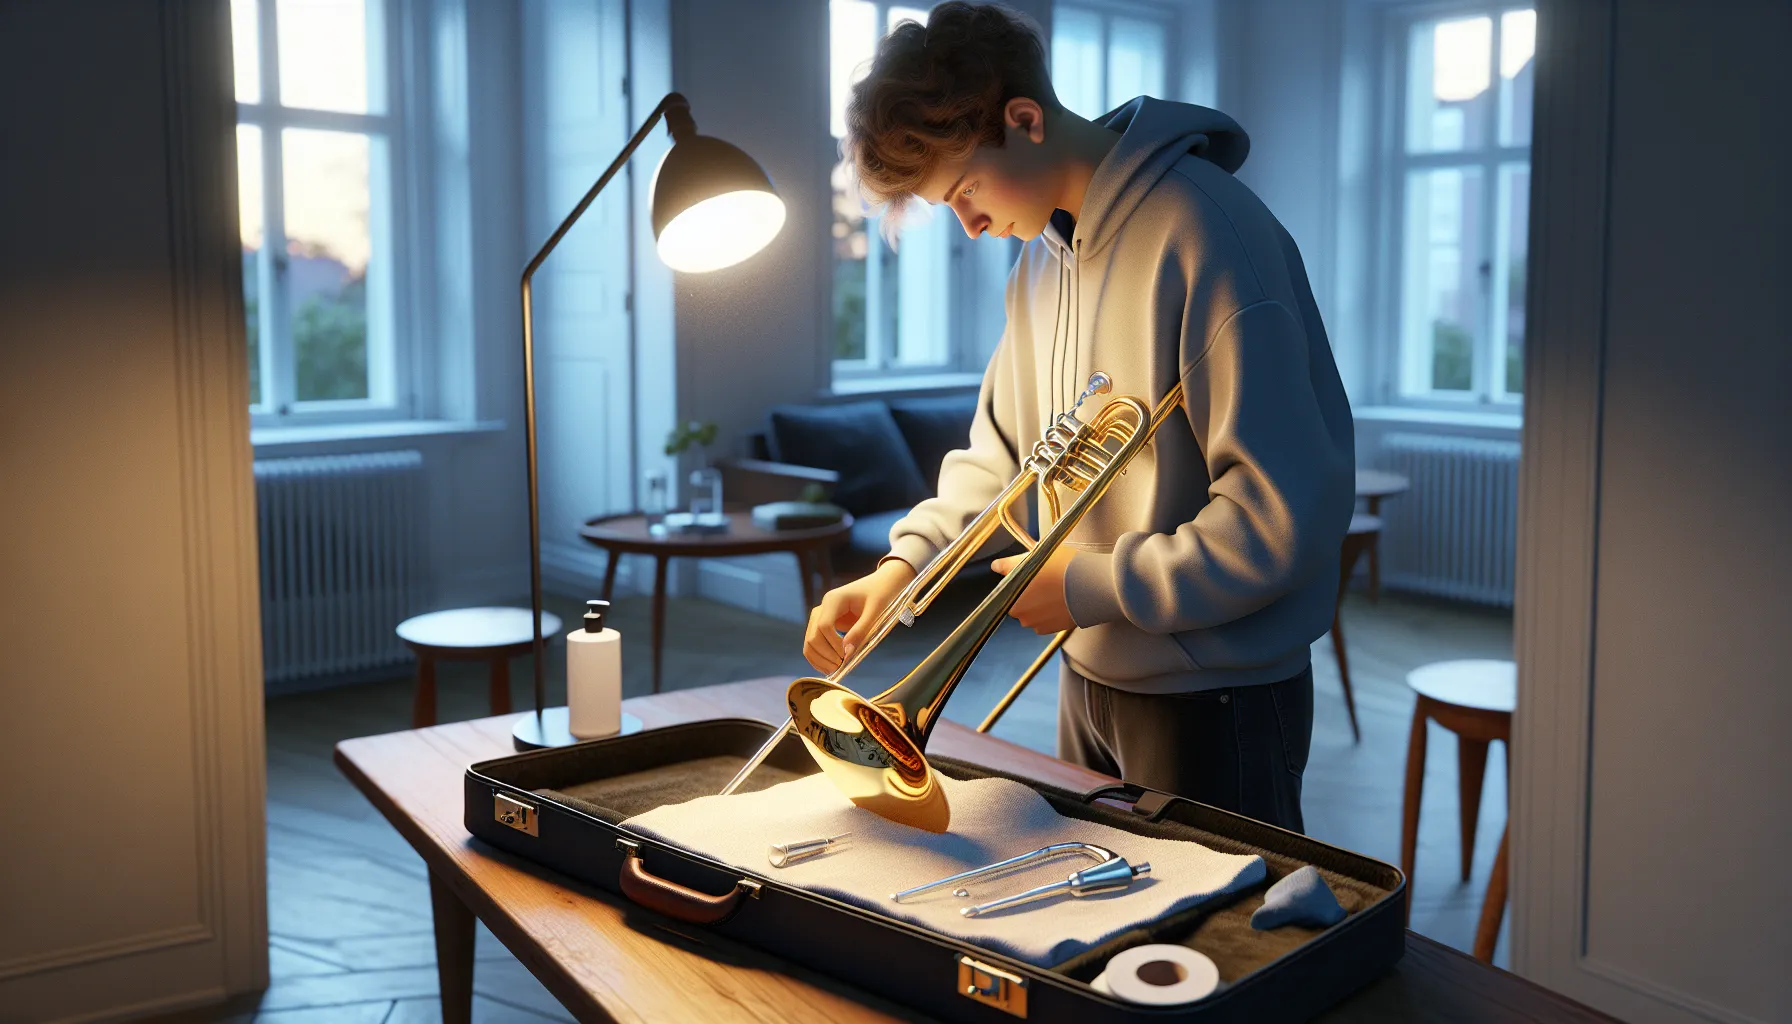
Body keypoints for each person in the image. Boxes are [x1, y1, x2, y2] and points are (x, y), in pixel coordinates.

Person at [802, 1, 1354, 833]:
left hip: (1215, 690)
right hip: (1089, 674)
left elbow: (1282, 520)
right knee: (1103, 932)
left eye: (965, 191)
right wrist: (899, 572)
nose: (971, 224)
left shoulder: (1209, 232)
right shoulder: (1036, 264)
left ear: (1024, 120)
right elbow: (1003, 460)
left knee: (1220, 948)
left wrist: (1095, 583)